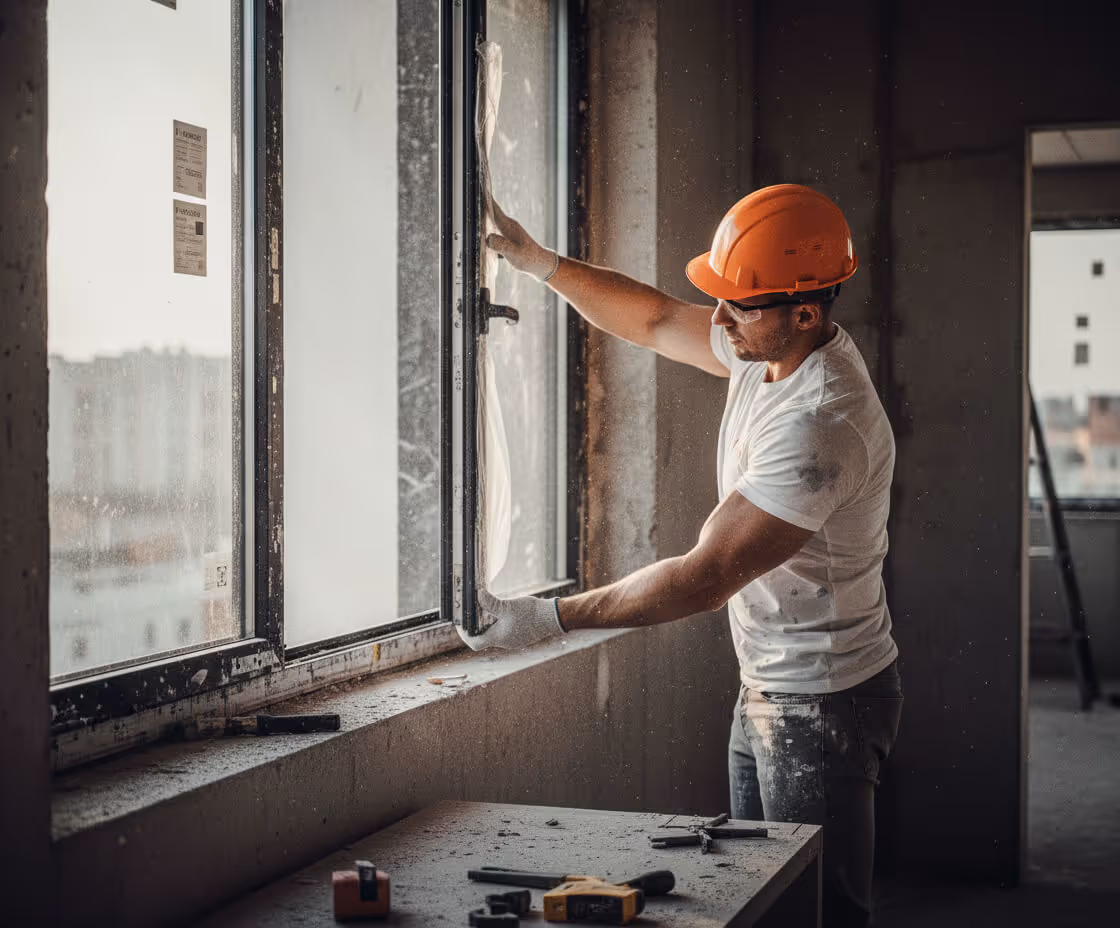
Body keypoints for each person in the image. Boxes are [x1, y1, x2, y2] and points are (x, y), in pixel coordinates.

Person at [467, 184, 902, 928]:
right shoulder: (767, 350)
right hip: (770, 682)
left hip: (822, 701)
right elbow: (656, 317)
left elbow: (702, 579)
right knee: (759, 895)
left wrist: (542, 620)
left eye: (740, 304)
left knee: (816, 912)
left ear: (805, 310)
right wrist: (539, 262)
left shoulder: (821, 424)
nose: (721, 318)